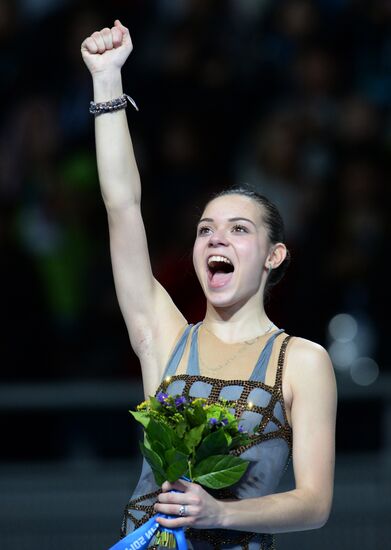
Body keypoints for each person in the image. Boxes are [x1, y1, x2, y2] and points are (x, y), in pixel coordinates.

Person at [81, 20, 337, 550]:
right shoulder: (166, 338)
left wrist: (219, 513)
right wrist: (106, 81)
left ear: (274, 255)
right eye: (205, 230)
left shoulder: (302, 360)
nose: (215, 238)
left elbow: (314, 503)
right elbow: (122, 207)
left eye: (238, 230)